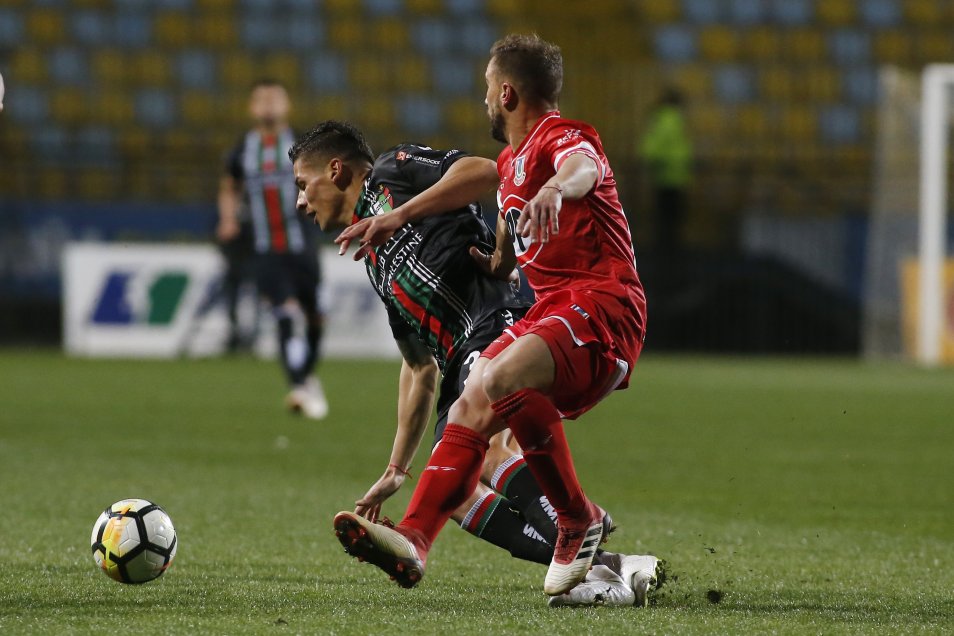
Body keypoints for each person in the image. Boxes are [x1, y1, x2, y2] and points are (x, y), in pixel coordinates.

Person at [328, 34, 661, 599]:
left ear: (506, 92)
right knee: (470, 402)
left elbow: (580, 169)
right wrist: (500, 258)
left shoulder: (563, 136)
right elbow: (512, 235)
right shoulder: (510, 164)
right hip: (555, 313)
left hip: (605, 304)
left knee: (498, 378)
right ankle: (413, 539)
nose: (484, 100)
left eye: (487, 89)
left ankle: (577, 520)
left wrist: (558, 188)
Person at [218, 79, 327, 419]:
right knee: (284, 311)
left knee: (314, 316)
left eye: (274, 98)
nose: (267, 105)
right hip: (264, 247)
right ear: (252, 107)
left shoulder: (303, 144)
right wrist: (228, 219)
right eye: (261, 99)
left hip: (303, 244)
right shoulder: (242, 149)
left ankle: (307, 375)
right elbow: (229, 186)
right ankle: (297, 384)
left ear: (286, 105)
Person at [639, 86, 692, 255]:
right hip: (672, 175)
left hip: (666, 174)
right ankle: (669, 256)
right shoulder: (671, 119)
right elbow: (656, 145)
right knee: (670, 221)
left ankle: (666, 254)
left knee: (664, 220)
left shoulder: (662, 118)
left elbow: (651, 144)